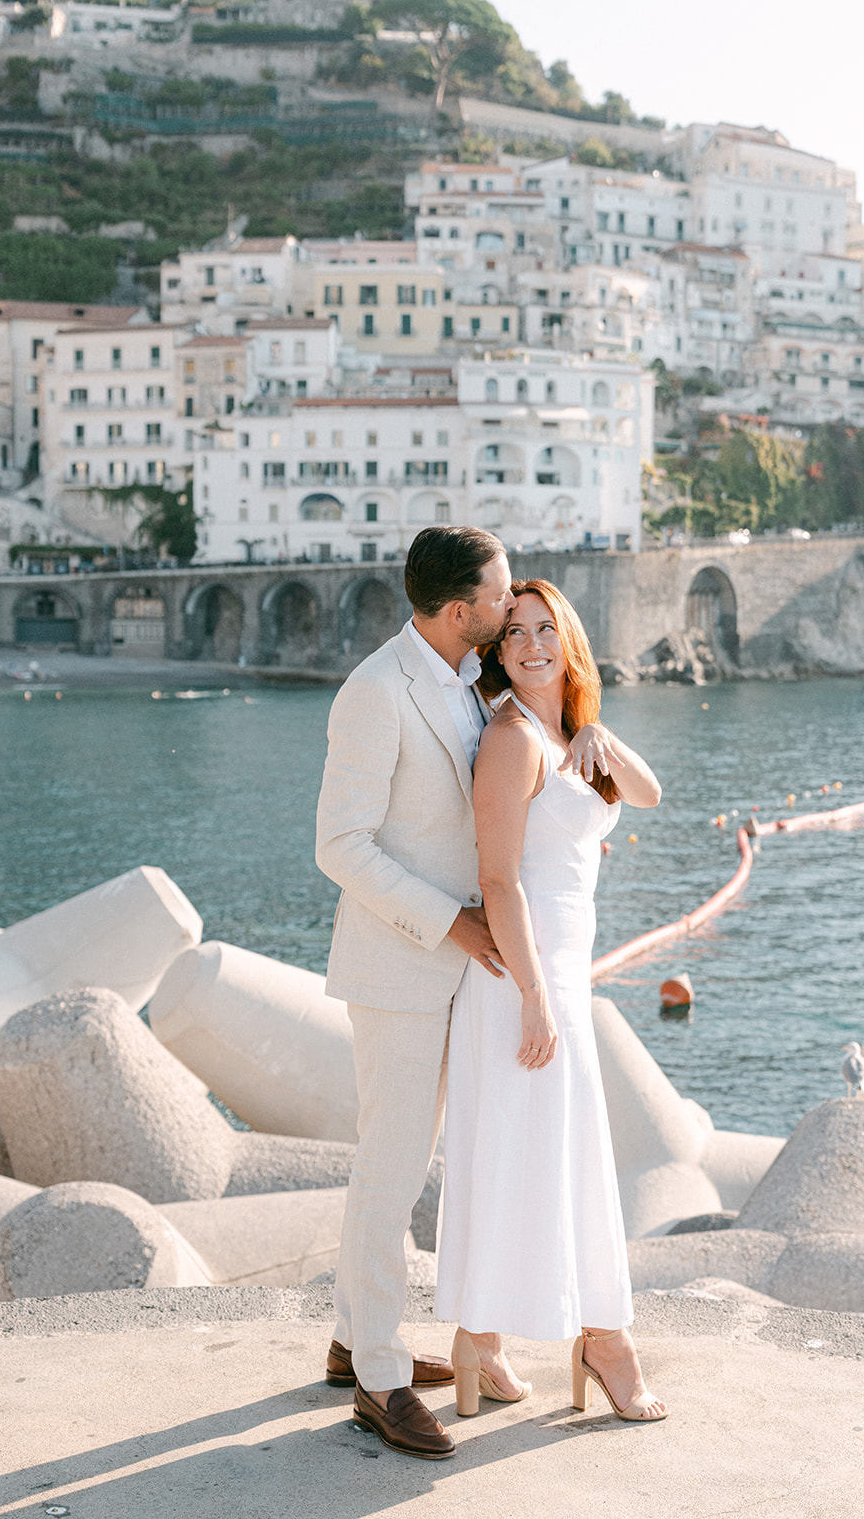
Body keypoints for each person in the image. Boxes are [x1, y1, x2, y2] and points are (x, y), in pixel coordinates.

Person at [435, 579, 668, 1424]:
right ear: (497, 653)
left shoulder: (568, 735)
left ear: (568, 639)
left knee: (541, 1156)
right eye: (516, 633)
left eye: (547, 629)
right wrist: (534, 996)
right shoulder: (511, 739)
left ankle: (484, 1341)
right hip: (520, 981)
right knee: (527, 1157)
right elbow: (496, 878)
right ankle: (601, 1341)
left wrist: (601, 731)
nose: (532, 644)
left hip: (560, 973)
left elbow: (645, 794)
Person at [315, 525, 515, 1461]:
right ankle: (380, 1384)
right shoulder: (375, 691)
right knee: (388, 1175)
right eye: (500, 593)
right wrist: (452, 922)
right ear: (456, 608)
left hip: (452, 969)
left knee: (403, 1165)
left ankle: (355, 1341)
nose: (513, 605)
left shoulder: (469, 682)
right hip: (400, 968)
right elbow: (340, 846)